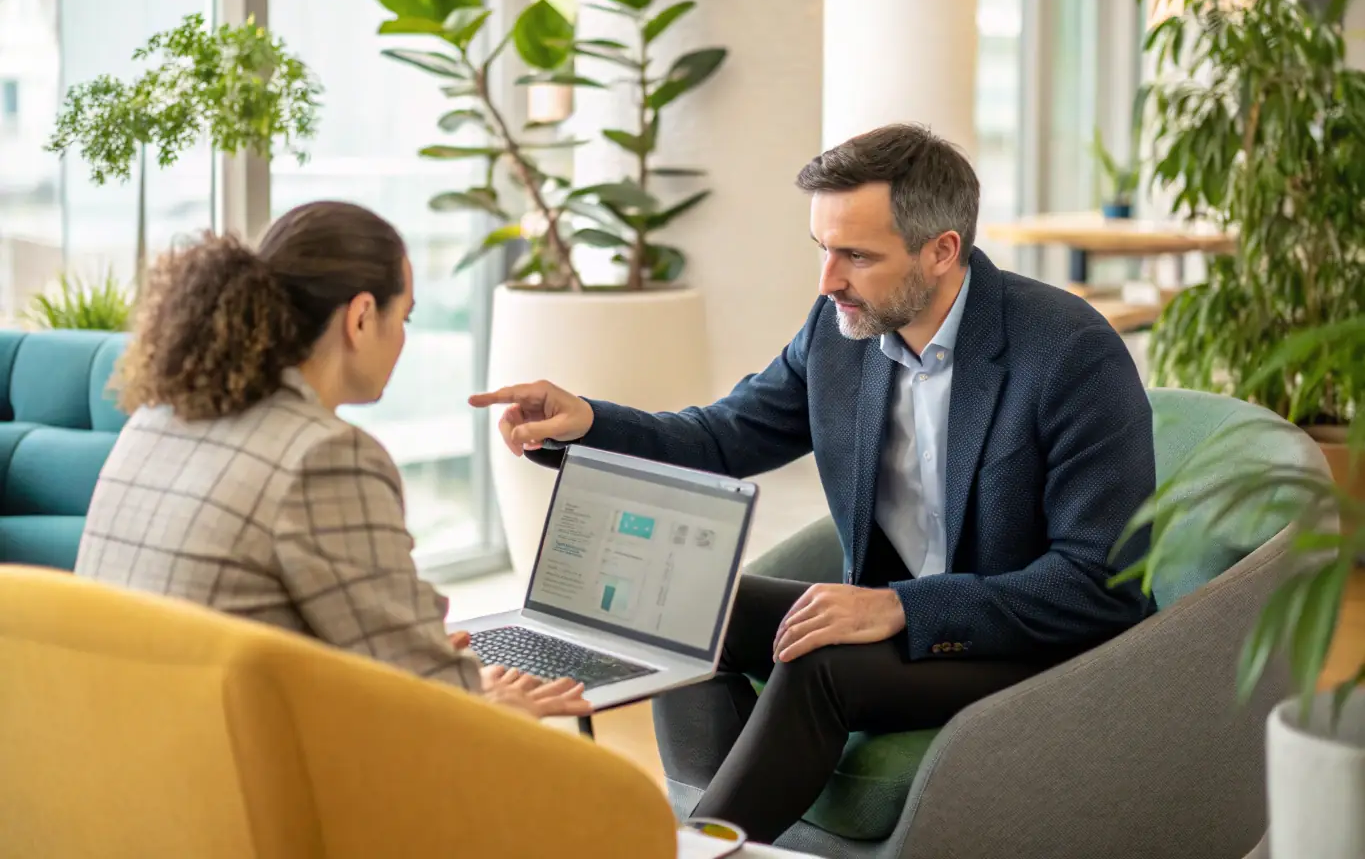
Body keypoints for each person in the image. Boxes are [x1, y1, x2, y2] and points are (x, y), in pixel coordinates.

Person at [469, 123, 1157, 842]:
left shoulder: (1068, 352)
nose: (827, 281)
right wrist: (585, 422)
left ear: (942, 250)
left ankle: (699, 850)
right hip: (903, 612)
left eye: (856, 256)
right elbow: (720, 436)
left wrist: (903, 609)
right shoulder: (839, 333)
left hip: (1024, 638)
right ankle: (726, 830)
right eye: (822, 249)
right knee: (691, 604)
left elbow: (1098, 587)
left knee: (821, 661)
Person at [76, 201, 588, 721]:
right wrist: (473, 691)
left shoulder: (157, 418)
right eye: (405, 316)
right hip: (233, 786)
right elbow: (433, 704)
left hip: (120, 765)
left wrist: (427, 658)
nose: (405, 337)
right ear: (362, 316)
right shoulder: (324, 456)